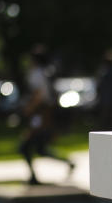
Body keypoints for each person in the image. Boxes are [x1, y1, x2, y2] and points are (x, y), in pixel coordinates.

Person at [19, 46, 72, 185]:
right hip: (45, 114)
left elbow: (39, 95)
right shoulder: (46, 72)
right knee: (40, 149)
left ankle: (33, 177)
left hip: (41, 115)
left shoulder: (37, 74)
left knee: (25, 146)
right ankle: (67, 163)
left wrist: (29, 109)